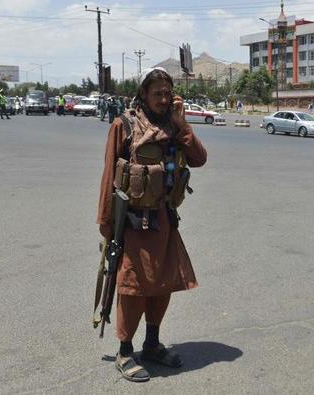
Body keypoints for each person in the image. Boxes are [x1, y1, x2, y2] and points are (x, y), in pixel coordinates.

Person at [96, 67, 207, 382]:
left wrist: (182, 124)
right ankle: (125, 350)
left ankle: (153, 344)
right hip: (133, 224)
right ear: (143, 94)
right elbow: (108, 178)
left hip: (165, 220)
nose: (162, 99)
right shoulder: (124, 125)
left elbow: (199, 158)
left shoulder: (174, 126)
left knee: (162, 285)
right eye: (156, 93)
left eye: (167, 93)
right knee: (132, 288)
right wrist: (106, 224)